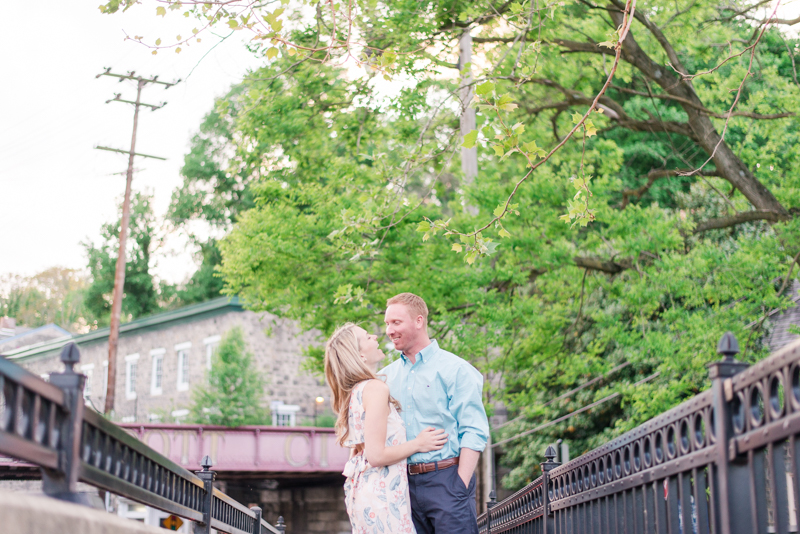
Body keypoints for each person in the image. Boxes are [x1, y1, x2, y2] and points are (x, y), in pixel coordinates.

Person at [381, 293, 490, 534]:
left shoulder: (457, 370)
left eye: (396, 322)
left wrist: (459, 484)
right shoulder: (383, 378)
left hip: (447, 481)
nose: (389, 330)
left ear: (419, 321)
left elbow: (474, 430)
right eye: (387, 323)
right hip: (401, 486)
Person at [325, 323, 449, 533]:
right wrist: (418, 444)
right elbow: (376, 455)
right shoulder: (374, 389)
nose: (374, 336)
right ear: (360, 356)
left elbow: (358, 452)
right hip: (382, 497)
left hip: (368, 494)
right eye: (366, 337)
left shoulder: (356, 392)